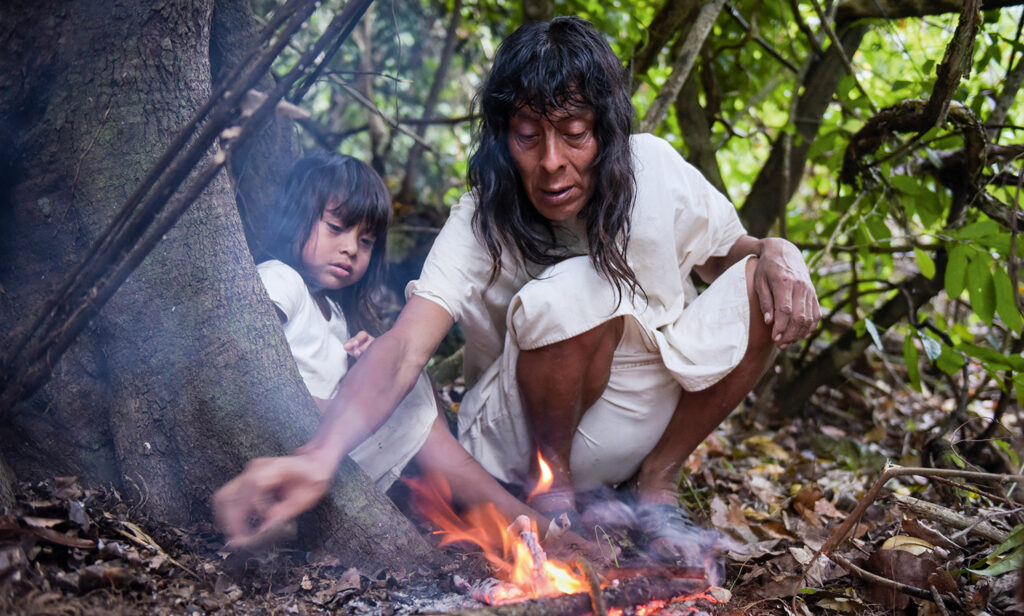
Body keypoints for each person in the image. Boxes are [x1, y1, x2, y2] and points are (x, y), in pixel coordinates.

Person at [214, 17, 820, 565]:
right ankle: (548, 489)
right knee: (575, 288)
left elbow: (730, 259)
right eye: (528, 136)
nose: (551, 162)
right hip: (516, 436)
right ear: (504, 138)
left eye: (575, 133)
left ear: (607, 131)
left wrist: (780, 252)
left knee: (764, 285)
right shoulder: (482, 216)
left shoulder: (655, 168)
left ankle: (657, 481)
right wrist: (320, 457)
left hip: (642, 411)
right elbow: (404, 347)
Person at [215, 151, 561, 546]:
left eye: (365, 241)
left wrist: (361, 364)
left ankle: (507, 522)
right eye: (336, 228)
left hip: (324, 445)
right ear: (296, 217)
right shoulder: (282, 280)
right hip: (294, 434)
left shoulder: (337, 315)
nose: (350, 249)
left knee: (408, 386)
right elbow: (244, 355)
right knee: (409, 396)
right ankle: (524, 525)